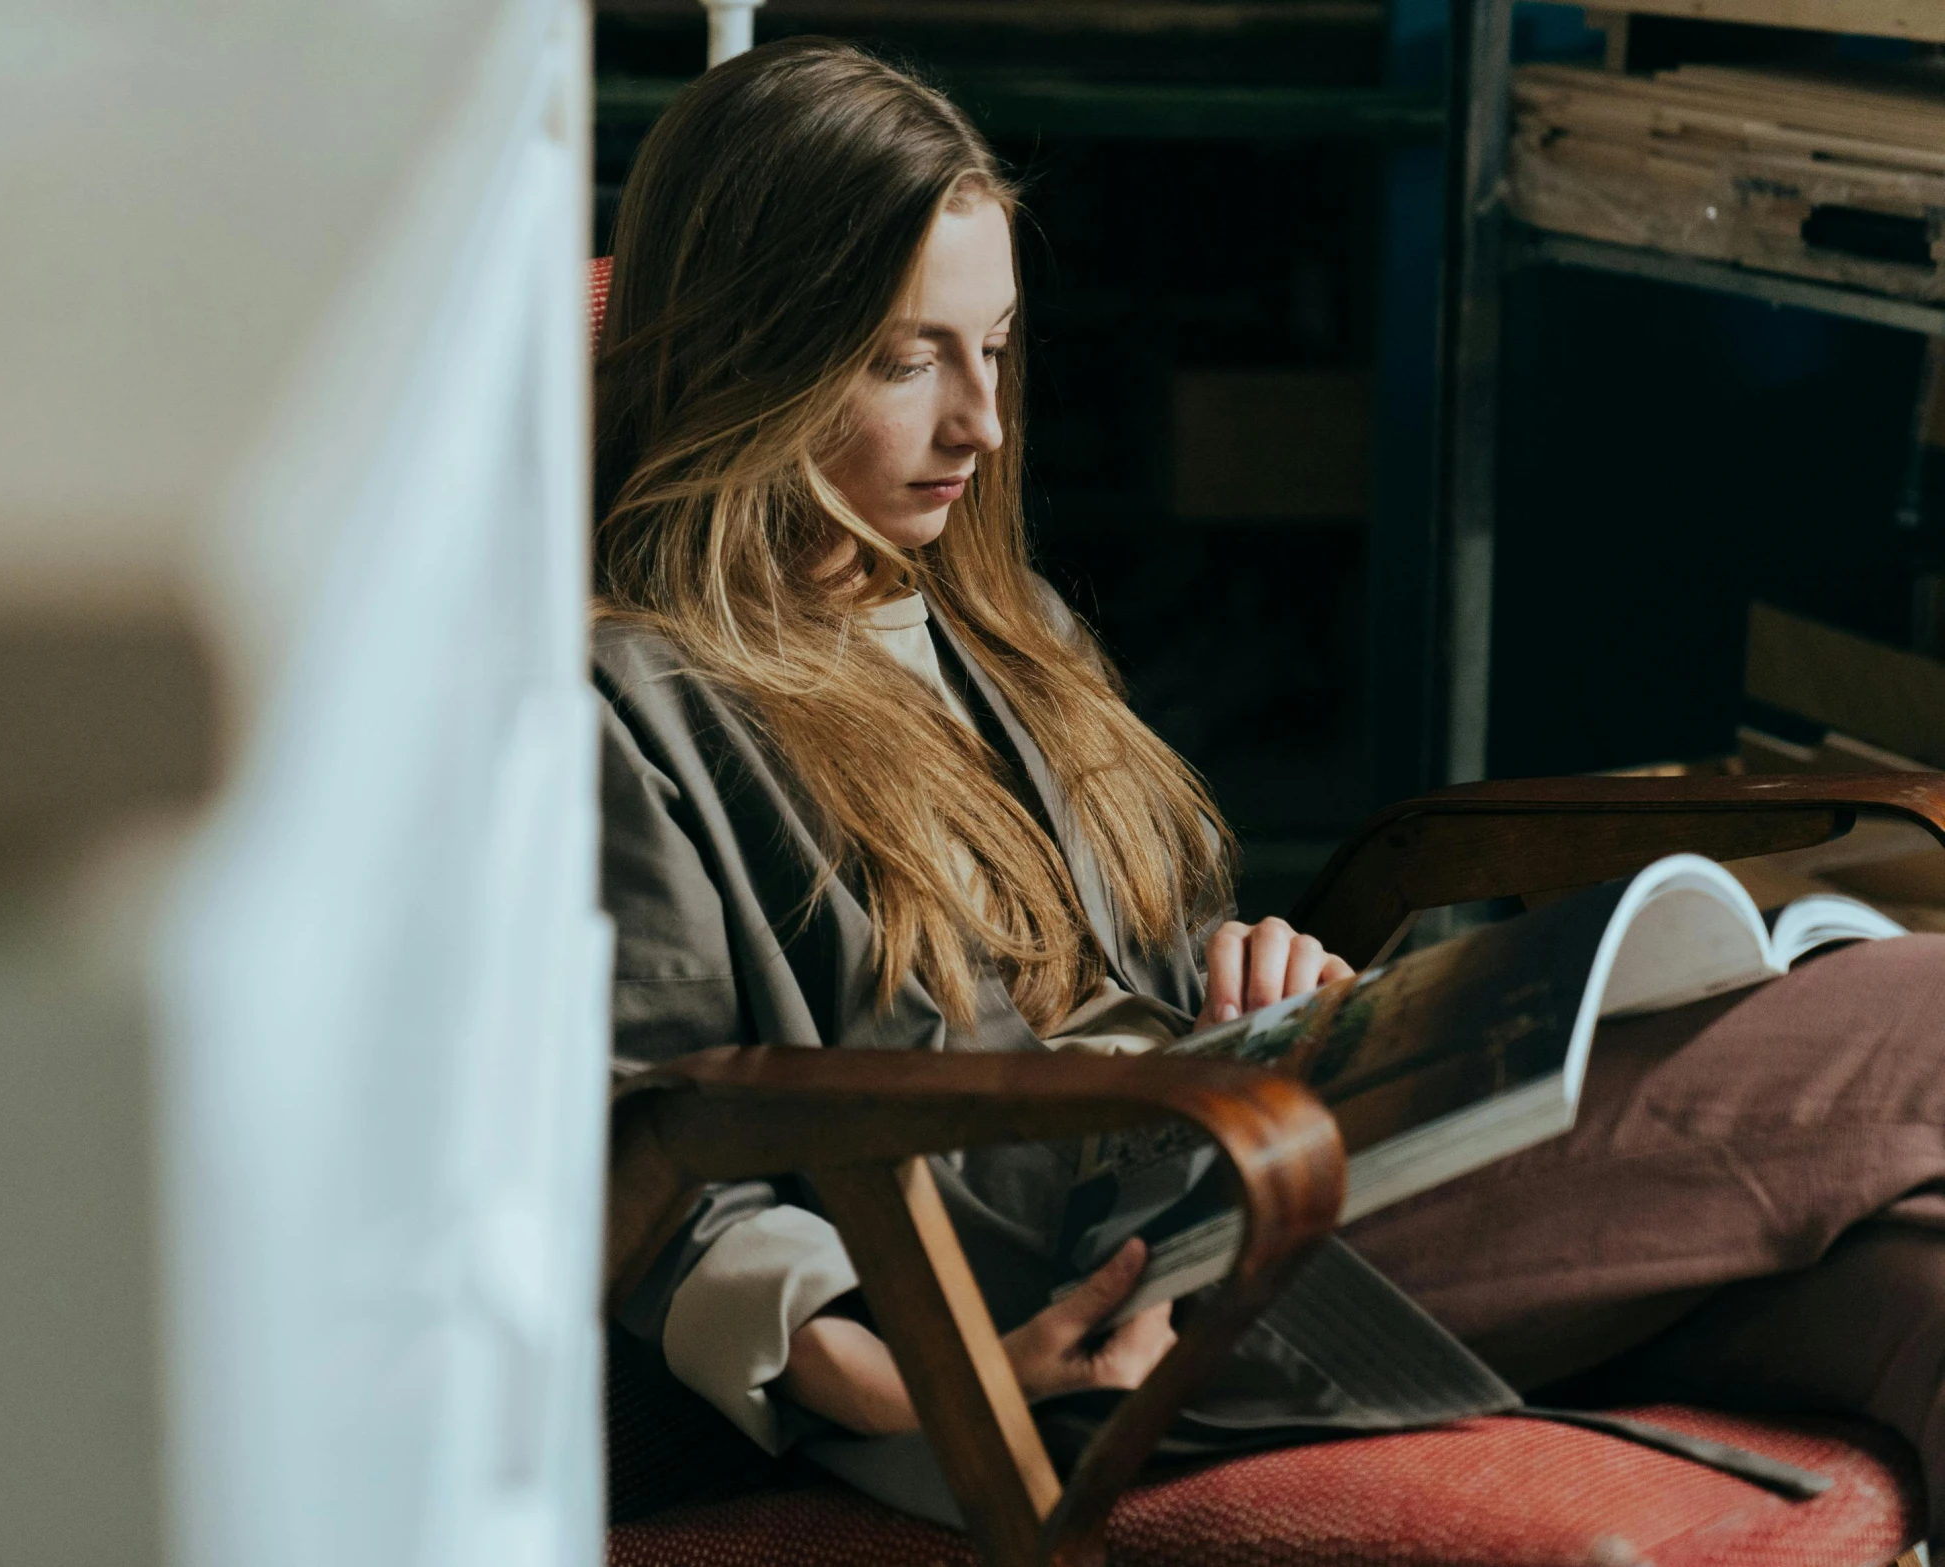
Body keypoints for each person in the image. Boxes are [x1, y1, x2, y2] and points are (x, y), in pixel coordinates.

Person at [593, 36, 1945, 1541]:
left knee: (1922, 1278)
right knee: (1919, 1015)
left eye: (996, 347)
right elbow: (652, 1162)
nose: (979, 420)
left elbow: (1129, 953)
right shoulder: (632, 707)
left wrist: (1257, 968)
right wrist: (919, 1373)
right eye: (906, 359)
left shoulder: (996, 616)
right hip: (1118, 1276)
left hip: (1255, 1139)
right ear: (743, 352)